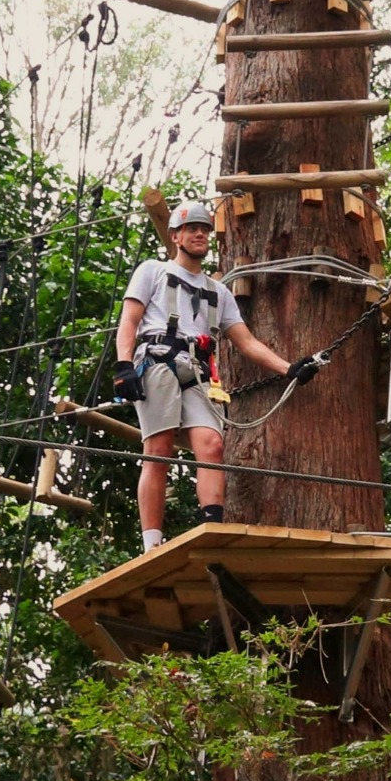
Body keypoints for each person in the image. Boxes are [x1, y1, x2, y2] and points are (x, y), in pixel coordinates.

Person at [114, 199, 315, 549]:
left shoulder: (219, 292)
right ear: (175, 236)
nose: (199, 234)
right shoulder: (153, 271)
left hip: (199, 371)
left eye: (205, 229)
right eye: (192, 228)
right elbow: (129, 320)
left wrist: (289, 369)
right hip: (159, 360)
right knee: (159, 449)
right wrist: (124, 365)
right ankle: (151, 543)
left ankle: (213, 527)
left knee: (213, 445)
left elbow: (246, 341)